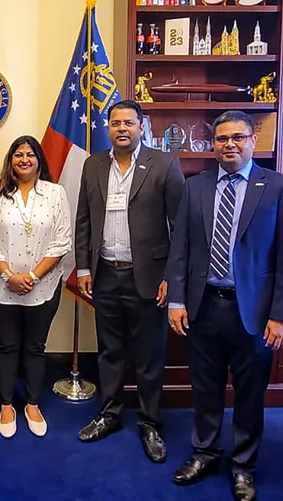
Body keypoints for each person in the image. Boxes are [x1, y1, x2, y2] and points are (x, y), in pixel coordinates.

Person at [164, 110, 283, 500]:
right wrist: (176, 299)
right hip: (204, 306)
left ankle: (243, 465)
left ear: (251, 141)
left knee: (248, 393)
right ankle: (205, 452)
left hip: (255, 314)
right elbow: (181, 250)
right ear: (212, 145)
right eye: (222, 139)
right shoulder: (196, 186)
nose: (230, 145)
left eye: (238, 138)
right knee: (204, 387)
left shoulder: (278, 187)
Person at [75, 100, 185, 463]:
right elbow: (84, 221)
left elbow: (181, 227)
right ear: (108, 128)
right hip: (105, 273)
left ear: (142, 127)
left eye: (129, 123)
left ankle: (150, 422)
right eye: (115, 123)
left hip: (150, 278)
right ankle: (108, 413)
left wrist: (171, 275)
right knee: (109, 351)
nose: (122, 128)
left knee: (149, 355)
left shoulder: (164, 164)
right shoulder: (93, 165)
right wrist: (84, 269)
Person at [0, 135, 71, 438]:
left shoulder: (55, 193)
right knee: (7, 345)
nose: (24, 160)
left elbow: (62, 241)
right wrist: (10, 276)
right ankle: (6, 404)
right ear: (11, 160)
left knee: (35, 346)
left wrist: (32, 277)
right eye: (18, 154)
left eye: (30, 155)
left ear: (38, 160)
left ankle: (32, 403)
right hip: (2, 284)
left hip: (44, 286)